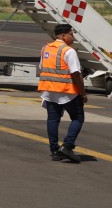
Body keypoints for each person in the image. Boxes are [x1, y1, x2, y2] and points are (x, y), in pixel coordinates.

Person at [38, 23, 87, 163]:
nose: (73, 38)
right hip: (67, 92)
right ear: (64, 35)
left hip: (49, 92)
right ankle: (67, 146)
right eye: (71, 35)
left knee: (53, 120)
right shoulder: (69, 51)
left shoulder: (45, 49)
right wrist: (83, 93)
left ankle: (54, 151)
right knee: (78, 117)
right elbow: (76, 74)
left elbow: (42, 67)